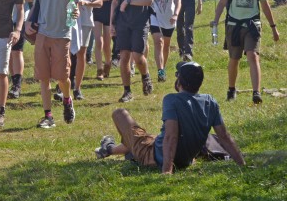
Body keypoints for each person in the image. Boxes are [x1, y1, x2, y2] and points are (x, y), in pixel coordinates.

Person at [95, 61, 245, 173]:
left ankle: (109, 148)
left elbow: (171, 137)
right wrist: (242, 163)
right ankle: (109, 150)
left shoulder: (172, 100)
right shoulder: (210, 101)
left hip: (154, 156)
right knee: (150, 137)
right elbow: (224, 136)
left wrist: (167, 171)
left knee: (120, 114)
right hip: (185, 160)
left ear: (179, 80)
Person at [213, 0, 280, 104]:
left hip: (252, 26)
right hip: (233, 25)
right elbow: (223, 2)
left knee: (253, 55)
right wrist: (215, 21)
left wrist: (273, 27)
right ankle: (231, 89)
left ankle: (256, 92)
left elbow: (265, 6)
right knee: (234, 59)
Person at [25, 0, 79, 129]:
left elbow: (74, 7)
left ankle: (67, 99)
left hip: (62, 36)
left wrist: (74, 13)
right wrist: (28, 22)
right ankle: (48, 116)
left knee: (63, 77)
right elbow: (37, 6)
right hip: (43, 33)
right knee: (43, 77)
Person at [110, 0, 154, 103]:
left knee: (138, 56)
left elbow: (149, 0)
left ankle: (145, 76)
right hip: (123, 22)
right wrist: (111, 24)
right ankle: (127, 91)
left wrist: (129, 1)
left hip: (140, 22)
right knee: (124, 57)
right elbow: (115, 1)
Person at [66, 0, 103, 99]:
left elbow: (100, 2)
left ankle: (77, 88)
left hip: (86, 18)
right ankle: (65, 84)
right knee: (67, 52)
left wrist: (87, 2)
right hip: (70, 16)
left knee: (81, 53)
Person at [3, 0, 35, 100]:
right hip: (3, 18)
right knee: (6, 52)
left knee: (17, 51)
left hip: (20, 17)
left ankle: (17, 84)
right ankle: (7, 81)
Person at [150, 0, 181, 83]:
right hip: (154, 16)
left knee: (166, 44)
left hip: (169, 17)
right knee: (159, 42)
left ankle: (164, 66)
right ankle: (160, 71)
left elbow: (178, 1)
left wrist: (176, 14)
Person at [92, 0, 114, 80]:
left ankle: (108, 62)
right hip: (96, 12)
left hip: (108, 12)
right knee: (98, 41)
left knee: (106, 43)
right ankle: (99, 69)